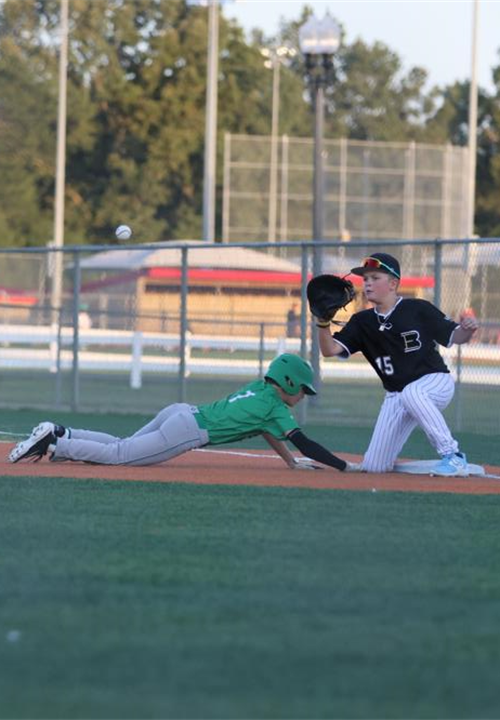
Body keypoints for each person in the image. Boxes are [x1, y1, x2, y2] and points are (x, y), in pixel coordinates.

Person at [9, 353, 359, 473]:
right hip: (185, 431)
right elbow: (307, 444)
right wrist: (344, 467)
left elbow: (270, 432)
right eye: (301, 389)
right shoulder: (276, 407)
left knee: (121, 444)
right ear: (286, 382)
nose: (303, 396)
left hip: (180, 412)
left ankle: (61, 432)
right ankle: (55, 444)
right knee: (118, 456)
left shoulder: (262, 389)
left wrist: (289, 462)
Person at [314, 252, 479, 477]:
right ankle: (427, 466)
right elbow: (329, 350)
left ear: (393, 283)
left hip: (434, 382)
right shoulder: (362, 321)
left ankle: (453, 456)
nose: (367, 283)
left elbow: (455, 337)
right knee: (374, 467)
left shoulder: (417, 309)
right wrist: (323, 323)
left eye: (374, 277)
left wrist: (467, 329)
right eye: (365, 279)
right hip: (396, 395)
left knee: (413, 393)